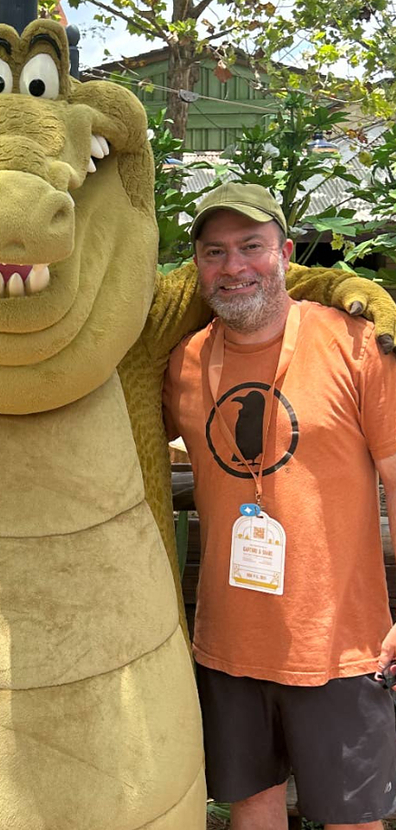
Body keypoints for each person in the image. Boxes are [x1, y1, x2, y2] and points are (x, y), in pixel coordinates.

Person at [164, 182, 396, 829]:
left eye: (251, 247)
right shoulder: (182, 362)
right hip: (229, 645)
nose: (234, 267)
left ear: (286, 253)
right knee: (253, 812)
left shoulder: (356, 343)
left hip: (343, 649)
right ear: (198, 268)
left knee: (354, 821)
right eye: (214, 252)